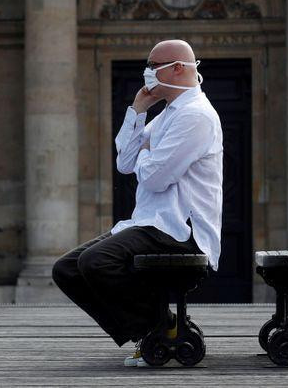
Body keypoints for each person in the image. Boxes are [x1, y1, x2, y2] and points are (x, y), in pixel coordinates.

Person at [52, 39, 223, 367]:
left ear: (177, 68)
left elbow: (155, 177)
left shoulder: (196, 115)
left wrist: (148, 158)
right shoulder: (165, 115)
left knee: (95, 262)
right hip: (151, 222)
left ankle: (157, 329)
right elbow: (126, 162)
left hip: (181, 231)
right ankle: (151, 331)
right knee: (67, 269)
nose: (147, 73)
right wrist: (137, 111)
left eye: (152, 65)